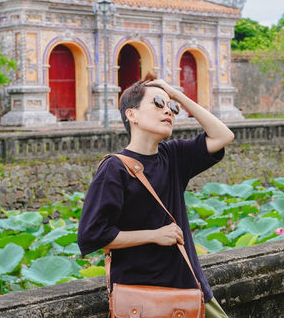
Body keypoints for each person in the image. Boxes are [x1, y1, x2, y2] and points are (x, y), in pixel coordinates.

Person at [77, 74, 234, 318]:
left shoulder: (173, 157)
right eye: (158, 104)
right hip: (142, 298)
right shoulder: (115, 169)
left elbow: (223, 136)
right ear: (132, 114)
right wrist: (154, 235)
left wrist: (176, 95)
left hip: (190, 287)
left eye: (171, 107)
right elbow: (92, 235)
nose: (168, 111)